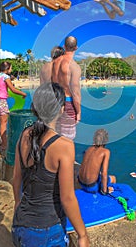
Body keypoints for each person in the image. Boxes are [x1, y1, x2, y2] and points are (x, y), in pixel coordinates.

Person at [12, 82, 89, 247]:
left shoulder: (24, 135)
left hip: (19, 226)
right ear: (61, 109)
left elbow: (16, 178)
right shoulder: (64, 146)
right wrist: (82, 235)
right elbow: (67, 198)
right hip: (46, 232)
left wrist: (18, 204)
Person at [52, 36, 81, 140]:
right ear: (76, 48)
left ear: (64, 46)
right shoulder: (74, 66)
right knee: (67, 140)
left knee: (54, 137)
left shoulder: (55, 62)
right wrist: (78, 112)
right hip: (68, 103)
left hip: (55, 101)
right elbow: (75, 93)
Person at [0, 61, 26, 154]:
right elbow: (13, 90)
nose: (12, 69)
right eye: (11, 68)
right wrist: (23, 93)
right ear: (7, 69)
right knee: (3, 124)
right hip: (2, 102)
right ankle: (4, 145)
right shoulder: (6, 77)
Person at [78, 129, 116, 195]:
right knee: (113, 178)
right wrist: (104, 191)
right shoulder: (106, 152)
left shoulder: (89, 149)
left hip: (80, 182)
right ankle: (107, 196)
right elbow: (104, 173)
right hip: (91, 187)